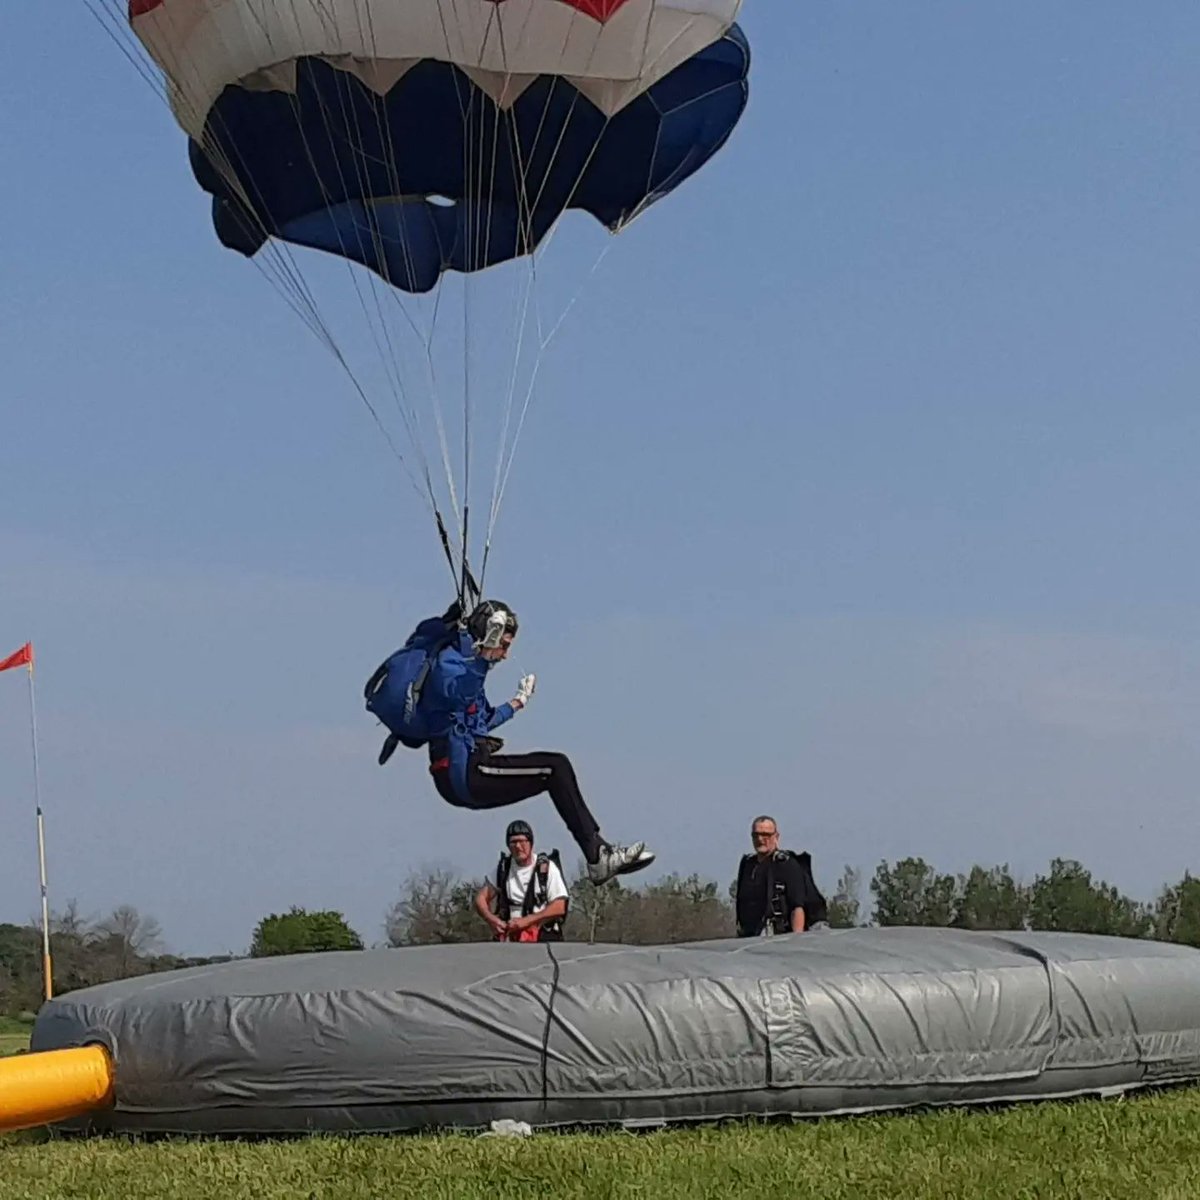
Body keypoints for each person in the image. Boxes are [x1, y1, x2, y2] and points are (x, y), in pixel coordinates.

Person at [369, 598, 654, 886]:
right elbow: (457, 693)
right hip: (462, 773)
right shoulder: (451, 664)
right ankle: (598, 857)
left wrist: (517, 702)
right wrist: (482, 659)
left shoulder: (466, 667)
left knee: (555, 767)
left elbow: (482, 721)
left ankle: (598, 853)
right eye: (503, 645)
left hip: (468, 767)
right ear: (487, 637)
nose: (505, 655)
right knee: (555, 767)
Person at [475, 819, 569, 942]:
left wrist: (527, 921)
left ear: (531, 843)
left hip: (542, 937)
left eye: (522, 841)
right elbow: (480, 898)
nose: (518, 847)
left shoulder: (546, 868)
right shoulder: (504, 868)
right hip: (510, 938)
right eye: (513, 842)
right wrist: (492, 920)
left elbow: (559, 906)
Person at [734, 815, 828, 937]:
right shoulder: (748, 865)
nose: (760, 839)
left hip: (779, 935)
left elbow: (797, 906)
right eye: (756, 835)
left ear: (776, 837)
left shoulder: (786, 864)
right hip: (752, 934)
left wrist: (795, 940)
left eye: (766, 835)